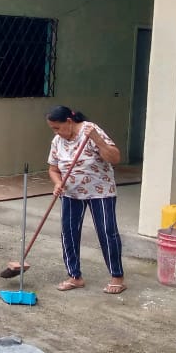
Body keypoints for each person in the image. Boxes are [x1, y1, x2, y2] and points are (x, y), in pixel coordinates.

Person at [46, 105, 126, 294]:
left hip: (100, 191)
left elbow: (115, 158)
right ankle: (74, 276)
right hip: (71, 193)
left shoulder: (90, 130)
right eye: (53, 129)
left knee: (107, 231)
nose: (56, 132)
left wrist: (97, 140)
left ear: (68, 121)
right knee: (68, 232)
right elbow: (53, 169)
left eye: (57, 127)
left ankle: (117, 277)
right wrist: (57, 183)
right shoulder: (57, 141)